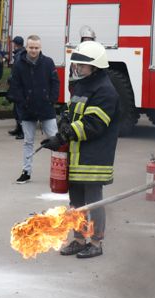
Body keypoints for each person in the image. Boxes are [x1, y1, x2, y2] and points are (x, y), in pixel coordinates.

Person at [41, 40, 119, 259]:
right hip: (77, 155)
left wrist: (63, 136)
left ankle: (96, 242)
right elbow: (71, 111)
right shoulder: (83, 85)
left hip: (94, 157)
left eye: (82, 65)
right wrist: (63, 123)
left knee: (94, 202)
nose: (78, 68)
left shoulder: (105, 91)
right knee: (76, 201)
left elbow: (93, 124)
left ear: (95, 66)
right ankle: (79, 238)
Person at [7, 35, 59, 184]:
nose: (33, 50)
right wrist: (22, 102)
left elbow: (55, 82)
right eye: (31, 47)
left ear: (40, 48)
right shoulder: (18, 64)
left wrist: (52, 99)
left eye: (36, 48)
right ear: (26, 47)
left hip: (46, 108)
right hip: (27, 109)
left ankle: (61, 172)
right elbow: (15, 86)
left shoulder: (48, 62)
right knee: (28, 142)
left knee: (56, 140)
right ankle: (26, 172)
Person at [7, 35, 26, 139]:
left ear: (15, 44)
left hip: (19, 87)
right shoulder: (20, 54)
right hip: (19, 86)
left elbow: (17, 72)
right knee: (16, 109)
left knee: (19, 110)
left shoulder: (19, 56)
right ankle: (18, 129)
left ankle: (22, 132)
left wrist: (10, 79)